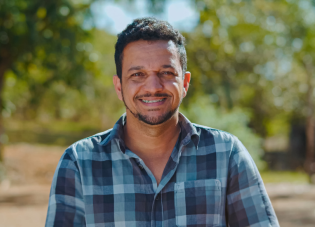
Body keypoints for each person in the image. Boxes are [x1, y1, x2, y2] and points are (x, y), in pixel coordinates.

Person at [45, 17, 279, 227]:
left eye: (166, 73)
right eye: (138, 75)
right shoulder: (78, 163)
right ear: (119, 87)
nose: (153, 87)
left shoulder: (227, 154)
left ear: (185, 83)